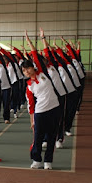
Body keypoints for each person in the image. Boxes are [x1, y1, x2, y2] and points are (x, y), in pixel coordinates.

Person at [24, 30, 60, 170]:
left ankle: (48, 161)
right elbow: (31, 105)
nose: (26, 71)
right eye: (24, 70)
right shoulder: (28, 86)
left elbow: (35, 54)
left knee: (51, 137)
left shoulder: (42, 73)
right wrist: (32, 120)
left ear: (33, 67)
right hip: (40, 112)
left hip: (54, 109)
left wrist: (33, 41)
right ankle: (36, 160)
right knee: (38, 138)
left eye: (28, 68)